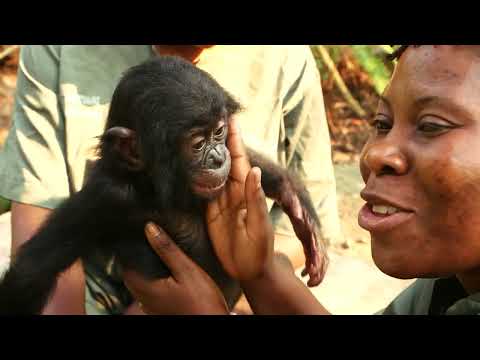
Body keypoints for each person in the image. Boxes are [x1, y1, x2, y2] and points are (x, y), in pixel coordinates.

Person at [127, 45, 480, 315]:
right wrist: (261, 272)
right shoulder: (445, 288)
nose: (375, 154)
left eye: (432, 125)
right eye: (382, 124)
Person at [0, 45, 342, 314]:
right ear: (132, 151)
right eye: (199, 143)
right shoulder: (113, 192)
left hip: (238, 295)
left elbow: (267, 173)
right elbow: (34, 267)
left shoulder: (285, 60)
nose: (220, 156)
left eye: (220, 133)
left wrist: (294, 201)